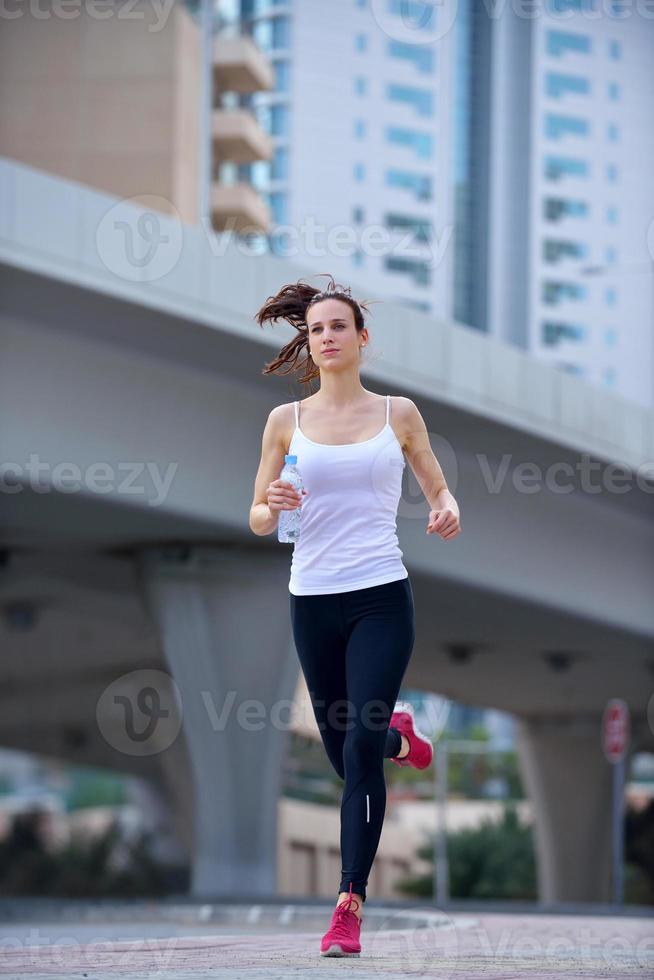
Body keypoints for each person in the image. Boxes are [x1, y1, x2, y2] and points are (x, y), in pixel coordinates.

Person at [249, 274, 461, 957]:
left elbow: (434, 478)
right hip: (311, 600)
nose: (328, 337)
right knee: (350, 756)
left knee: (358, 748)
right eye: (316, 330)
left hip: (379, 595)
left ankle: (348, 905)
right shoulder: (286, 422)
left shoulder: (398, 413)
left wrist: (445, 504)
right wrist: (271, 504)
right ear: (307, 345)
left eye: (339, 326)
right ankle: (403, 739)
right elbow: (255, 514)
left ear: (361, 337)